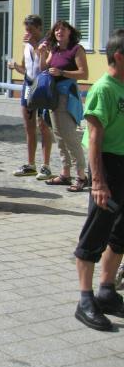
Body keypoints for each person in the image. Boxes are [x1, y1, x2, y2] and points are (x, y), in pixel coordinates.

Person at [72, 29, 124, 331]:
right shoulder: (104, 89)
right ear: (119, 56)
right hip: (106, 165)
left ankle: (106, 291)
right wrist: (98, 183)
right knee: (96, 233)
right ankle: (85, 299)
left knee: (120, 234)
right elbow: (94, 139)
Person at [42, 20, 89, 192]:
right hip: (53, 96)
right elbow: (43, 69)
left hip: (66, 96)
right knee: (59, 136)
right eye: (56, 29)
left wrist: (62, 72)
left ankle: (81, 176)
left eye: (63, 29)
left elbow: (84, 73)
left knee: (69, 136)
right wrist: (42, 54)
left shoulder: (76, 49)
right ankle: (65, 173)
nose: (59, 32)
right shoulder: (54, 50)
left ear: (70, 32)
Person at [8, 14, 54, 179]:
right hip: (28, 86)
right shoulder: (26, 45)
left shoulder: (46, 44)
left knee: (44, 126)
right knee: (29, 127)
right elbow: (26, 68)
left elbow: (46, 66)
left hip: (42, 86)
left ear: (40, 29)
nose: (29, 33)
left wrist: (35, 45)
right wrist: (15, 66)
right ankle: (30, 164)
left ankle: (46, 166)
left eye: (32, 30)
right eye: (27, 30)